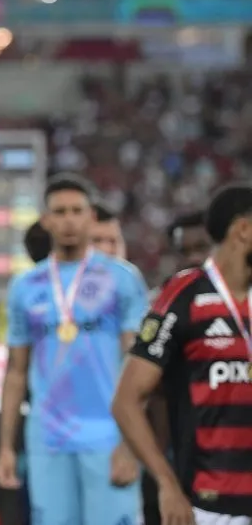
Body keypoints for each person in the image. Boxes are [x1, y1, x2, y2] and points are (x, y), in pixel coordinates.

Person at [0, 173, 147, 525]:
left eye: (76, 210)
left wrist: (131, 444)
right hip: (48, 437)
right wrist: (6, 446)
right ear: (46, 220)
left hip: (109, 435)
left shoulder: (121, 279)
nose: (68, 220)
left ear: (91, 216)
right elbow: (16, 371)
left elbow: (135, 367)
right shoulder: (24, 286)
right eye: (59, 212)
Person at [114, 184, 252, 525]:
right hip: (211, 507)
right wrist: (167, 484)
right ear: (244, 230)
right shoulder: (183, 295)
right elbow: (126, 401)